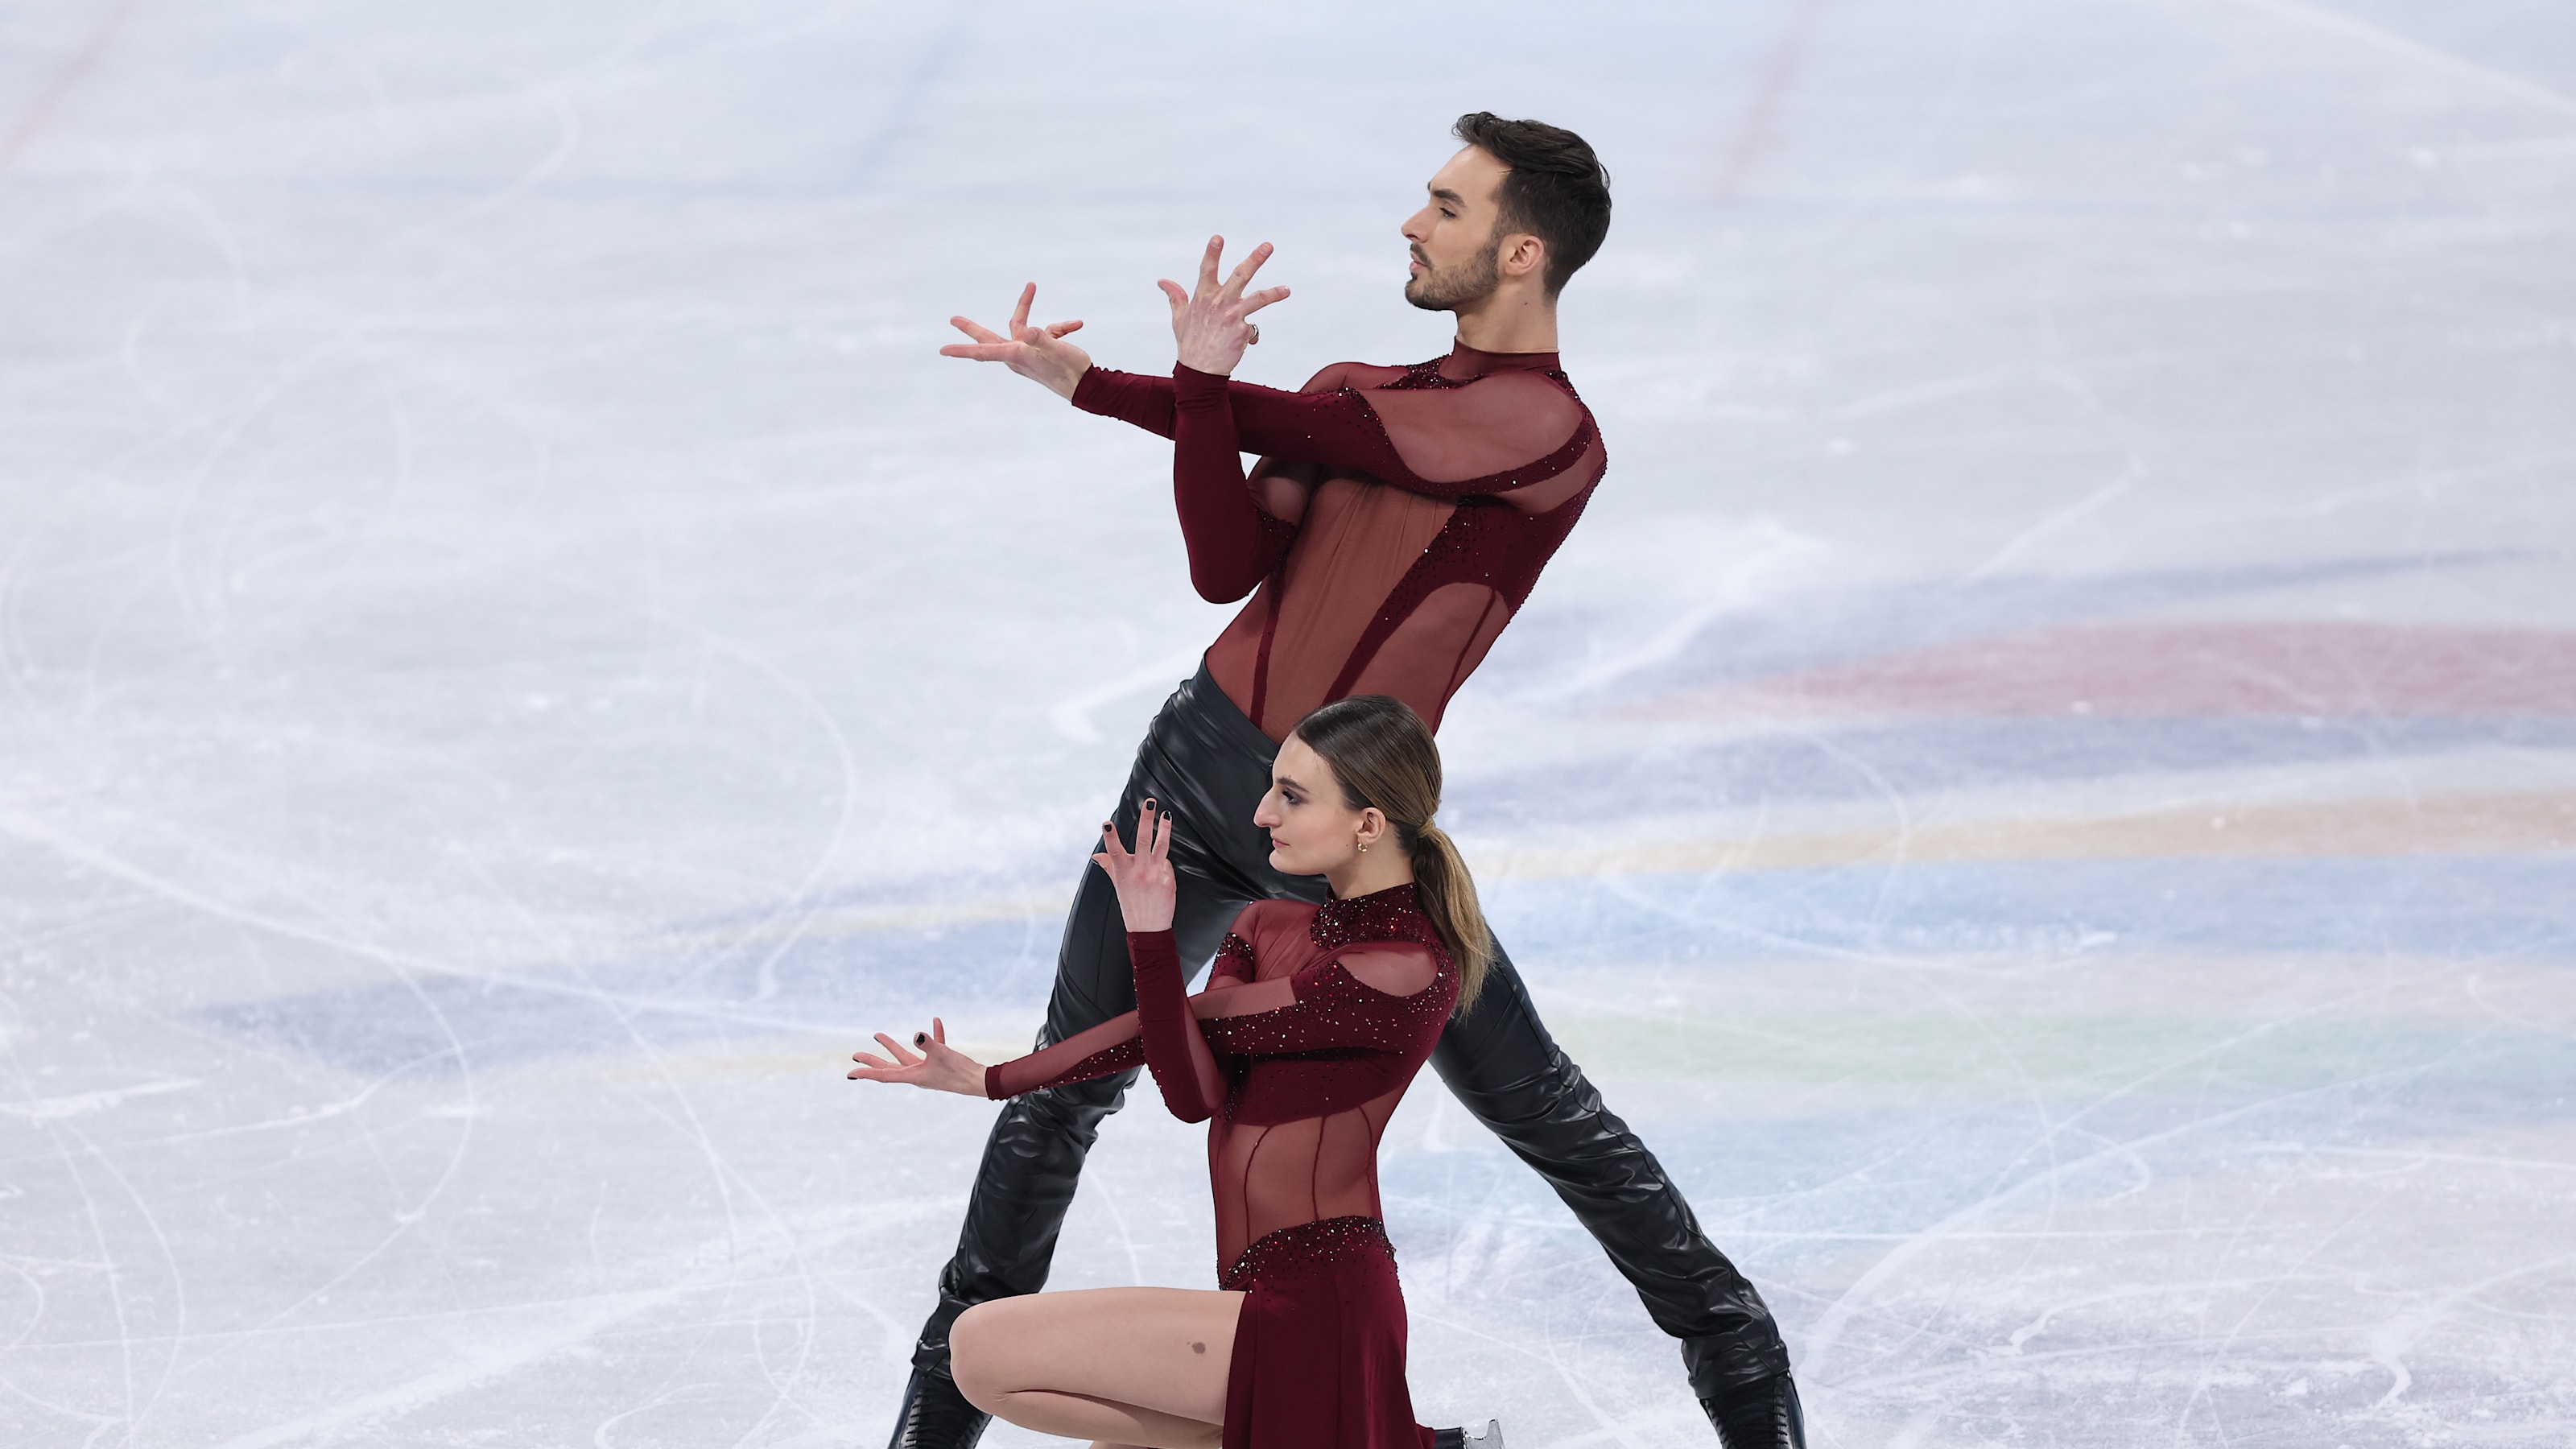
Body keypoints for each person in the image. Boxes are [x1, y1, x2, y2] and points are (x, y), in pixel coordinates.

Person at [894, 113, 1805, 1449]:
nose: (1412, 223)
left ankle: (1741, 1360)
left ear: (1522, 251)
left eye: (1446, 205)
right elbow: (1224, 563)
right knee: (1052, 1110)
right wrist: (1179, 395)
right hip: (1190, 774)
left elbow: (1307, 427)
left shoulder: (1545, 431)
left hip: (1355, 845)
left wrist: (1129, 386)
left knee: (1551, 1120)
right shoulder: (1356, 390)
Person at [853, 696, 1490, 1449]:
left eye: (1292, 796)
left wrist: (994, 1078)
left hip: (1318, 1313)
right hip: (1259, 1296)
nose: (1262, 813)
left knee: (981, 1347)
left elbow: (1192, 1023)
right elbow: (1194, 1094)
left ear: (1369, 824)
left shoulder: (1399, 969)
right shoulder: (1266, 925)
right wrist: (1149, 936)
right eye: (1271, 787)